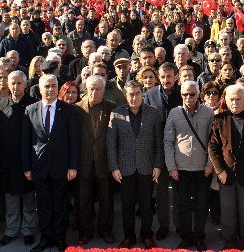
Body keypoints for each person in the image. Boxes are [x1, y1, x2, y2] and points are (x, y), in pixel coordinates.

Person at [22, 74, 79, 252]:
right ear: (40, 89)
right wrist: (26, 167)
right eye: (46, 86)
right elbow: (26, 141)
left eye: (53, 86)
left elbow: (73, 140)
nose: (50, 89)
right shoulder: (30, 110)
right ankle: (45, 238)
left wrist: (73, 166)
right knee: (44, 205)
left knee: (61, 204)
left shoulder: (67, 110)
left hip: (61, 167)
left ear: (57, 88)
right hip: (39, 167)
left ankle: (60, 239)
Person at [106, 80, 164, 249]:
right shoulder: (116, 114)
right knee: (127, 206)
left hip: (147, 167)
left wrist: (158, 165)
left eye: (137, 93)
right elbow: (111, 143)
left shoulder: (153, 113)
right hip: (125, 168)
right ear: (126, 95)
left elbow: (158, 142)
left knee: (147, 205)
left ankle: (147, 236)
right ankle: (129, 237)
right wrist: (114, 167)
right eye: (131, 94)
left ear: (142, 94)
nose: (134, 97)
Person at [208, 84, 244, 249]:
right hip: (226, 174)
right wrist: (219, 171)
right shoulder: (219, 119)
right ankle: (229, 239)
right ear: (225, 99)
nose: (234, 102)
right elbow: (213, 147)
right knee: (227, 211)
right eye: (231, 98)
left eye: (238, 99)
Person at [164, 80, 215, 251]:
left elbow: (213, 142)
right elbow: (168, 142)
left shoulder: (209, 113)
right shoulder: (174, 113)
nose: (188, 97)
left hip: (202, 168)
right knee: (183, 206)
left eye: (192, 94)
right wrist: (171, 167)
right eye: (185, 94)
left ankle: (200, 236)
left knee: (202, 205)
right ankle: (186, 237)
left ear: (199, 94)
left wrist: (210, 164)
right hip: (181, 168)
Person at [0, 71, 38, 248]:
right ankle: (11, 230)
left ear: (25, 84)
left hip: (28, 158)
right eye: (12, 83)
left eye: (19, 83)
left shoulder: (34, 106)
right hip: (8, 161)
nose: (15, 86)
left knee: (29, 198)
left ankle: (28, 230)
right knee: (11, 198)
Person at [75, 76, 117, 245]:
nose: (94, 92)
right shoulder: (76, 109)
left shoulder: (113, 108)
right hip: (83, 163)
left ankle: (106, 230)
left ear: (104, 90)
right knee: (83, 200)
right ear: (85, 88)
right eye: (91, 88)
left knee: (107, 200)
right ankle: (85, 232)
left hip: (104, 163)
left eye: (98, 89)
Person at [142, 62, 181, 240]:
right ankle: (164, 225)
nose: (166, 80)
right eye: (163, 76)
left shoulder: (183, 94)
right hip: (158, 149)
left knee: (181, 190)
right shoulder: (149, 95)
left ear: (176, 77)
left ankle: (181, 224)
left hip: (180, 150)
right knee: (162, 191)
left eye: (169, 76)